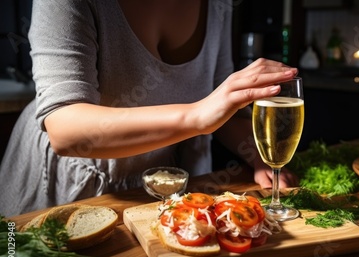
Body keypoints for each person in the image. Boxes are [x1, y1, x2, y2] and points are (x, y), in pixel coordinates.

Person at [0, 0, 299, 217]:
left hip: (166, 189)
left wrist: (257, 152)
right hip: (65, 189)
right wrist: (197, 116)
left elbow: (224, 104)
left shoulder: (219, 5)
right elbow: (65, 130)